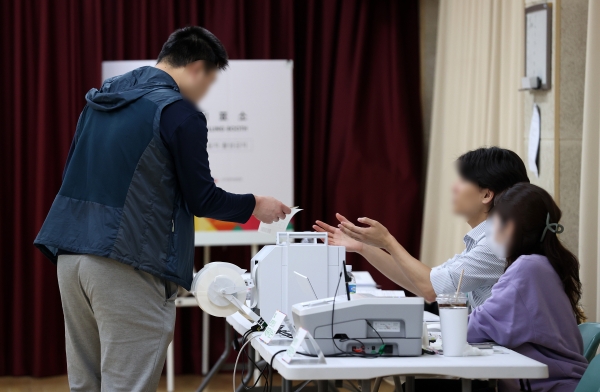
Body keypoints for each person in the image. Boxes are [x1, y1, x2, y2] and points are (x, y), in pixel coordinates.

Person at [34, 26, 290, 391]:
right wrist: (255, 205)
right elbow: (202, 198)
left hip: (71, 256)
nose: (205, 93)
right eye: (210, 81)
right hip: (125, 265)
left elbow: (71, 172)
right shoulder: (179, 113)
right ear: (198, 67)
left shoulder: (102, 100)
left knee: (85, 385)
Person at [314, 147, 529, 307]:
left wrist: (388, 241)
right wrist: (364, 247)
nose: (454, 188)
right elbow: (422, 284)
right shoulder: (484, 238)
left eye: (464, 180)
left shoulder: (496, 243)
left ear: (486, 194)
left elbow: (429, 288)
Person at [468, 183, 588, 392]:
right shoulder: (545, 265)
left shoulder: (527, 269)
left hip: (549, 387)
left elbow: (476, 327)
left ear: (511, 226)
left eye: (495, 221)